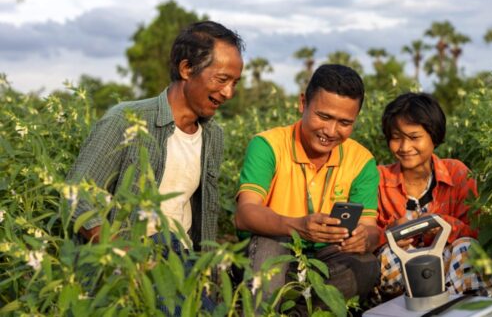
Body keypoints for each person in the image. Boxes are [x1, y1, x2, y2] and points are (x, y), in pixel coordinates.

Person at [67, 20, 244, 251]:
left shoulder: (213, 136)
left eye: (235, 83)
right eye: (222, 80)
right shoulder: (127, 120)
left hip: (181, 262)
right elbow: (76, 194)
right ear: (187, 69)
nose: (229, 92)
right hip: (128, 261)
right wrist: (121, 252)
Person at [234, 64, 381, 308]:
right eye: (323, 117)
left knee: (366, 265)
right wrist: (298, 226)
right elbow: (244, 214)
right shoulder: (268, 145)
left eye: (344, 122)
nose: (330, 131)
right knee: (268, 252)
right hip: (272, 246)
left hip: (326, 258)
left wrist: (364, 239)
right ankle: (262, 311)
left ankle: (298, 314)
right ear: (303, 103)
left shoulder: (361, 161)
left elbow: (370, 228)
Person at [372, 92, 492, 303]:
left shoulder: (457, 173)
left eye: (414, 137)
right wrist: (389, 235)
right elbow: (364, 236)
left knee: (467, 249)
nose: (404, 147)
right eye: (396, 137)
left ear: (434, 136)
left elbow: (481, 233)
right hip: (402, 281)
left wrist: (447, 226)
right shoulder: (379, 179)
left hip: (450, 271)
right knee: (387, 257)